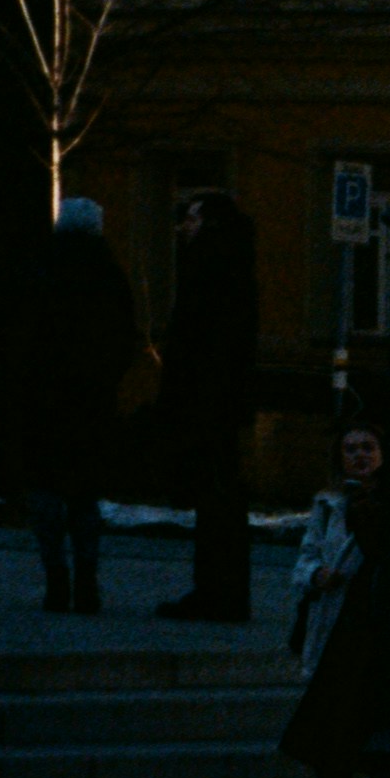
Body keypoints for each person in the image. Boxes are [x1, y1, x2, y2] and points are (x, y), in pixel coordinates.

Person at [17, 193, 142, 613]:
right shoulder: (109, 274)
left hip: (45, 401)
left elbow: (20, 336)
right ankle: (87, 581)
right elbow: (127, 338)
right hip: (91, 401)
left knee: (46, 490)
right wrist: (105, 378)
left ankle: (56, 579)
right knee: (85, 494)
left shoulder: (41, 269)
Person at [280, 423, 388, 778]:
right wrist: (316, 575)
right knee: (331, 736)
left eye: (367, 447)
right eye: (350, 449)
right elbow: (305, 557)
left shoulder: (381, 503)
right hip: (331, 621)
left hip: (363, 631)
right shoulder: (328, 505)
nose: (359, 456)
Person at [157, 192, 261, 622]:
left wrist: (184, 398)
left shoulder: (208, 264)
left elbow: (197, 340)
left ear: (209, 222)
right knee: (222, 498)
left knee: (214, 498)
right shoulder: (235, 261)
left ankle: (215, 592)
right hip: (221, 401)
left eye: (190, 217)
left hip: (206, 401)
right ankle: (225, 592)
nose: (182, 226)